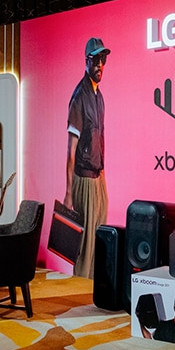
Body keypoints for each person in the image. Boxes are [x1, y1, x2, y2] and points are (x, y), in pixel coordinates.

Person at [65, 38, 111, 279]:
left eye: (103, 59)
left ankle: (93, 287)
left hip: (98, 176)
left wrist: (103, 174)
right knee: (85, 242)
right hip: (83, 178)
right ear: (87, 61)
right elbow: (70, 149)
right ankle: (80, 287)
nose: (100, 64)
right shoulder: (80, 97)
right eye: (96, 59)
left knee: (98, 235)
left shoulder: (98, 96)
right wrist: (69, 193)